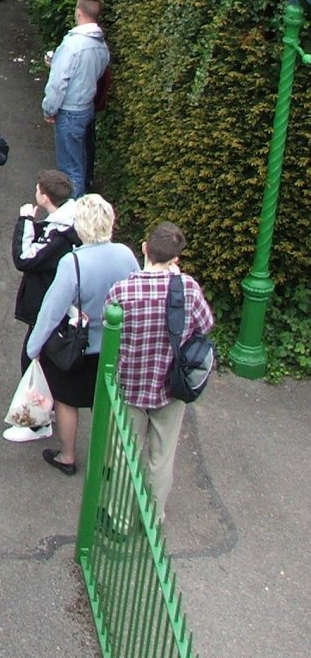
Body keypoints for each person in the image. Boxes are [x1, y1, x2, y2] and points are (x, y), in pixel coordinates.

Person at [25, 194, 140, 475]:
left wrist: (33, 347)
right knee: (108, 403)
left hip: (79, 348)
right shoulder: (125, 255)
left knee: (67, 399)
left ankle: (67, 457)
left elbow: (52, 311)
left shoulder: (72, 262)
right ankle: (109, 463)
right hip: (115, 347)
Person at [108, 221, 215, 521]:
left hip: (130, 383)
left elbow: (109, 331)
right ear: (175, 258)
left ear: (145, 248)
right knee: (162, 456)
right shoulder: (188, 288)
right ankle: (152, 518)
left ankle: (119, 518)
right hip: (171, 386)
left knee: (124, 454)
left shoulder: (122, 290)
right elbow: (206, 325)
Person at [8, 169, 80, 385]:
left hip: (46, 300)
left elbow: (24, 258)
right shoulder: (73, 220)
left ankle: (35, 400)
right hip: (65, 301)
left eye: (38, 190)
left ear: (45, 197)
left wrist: (25, 220)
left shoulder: (58, 233)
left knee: (33, 357)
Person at [42, 0, 111, 200]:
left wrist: (49, 109)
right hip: (86, 107)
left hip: (69, 111)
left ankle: (74, 210)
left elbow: (58, 83)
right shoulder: (100, 44)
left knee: (70, 169)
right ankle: (81, 198)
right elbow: (99, 71)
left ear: (79, 12)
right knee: (81, 159)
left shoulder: (71, 45)